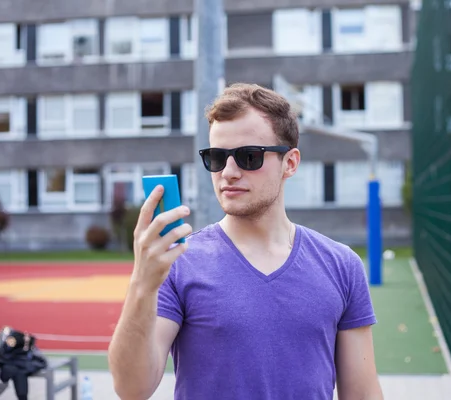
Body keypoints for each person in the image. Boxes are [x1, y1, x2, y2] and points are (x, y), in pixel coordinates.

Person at [108, 83, 383, 400]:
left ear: (290, 163)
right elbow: (131, 389)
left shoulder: (341, 265)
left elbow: (362, 393)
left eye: (248, 156)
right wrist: (142, 283)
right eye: (216, 157)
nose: (228, 172)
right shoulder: (179, 261)